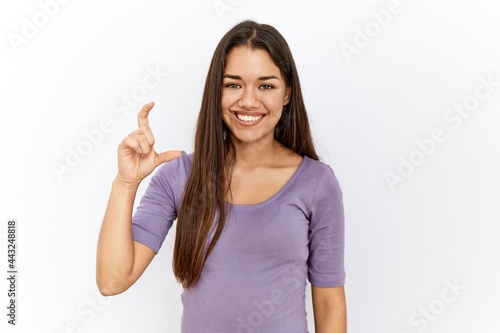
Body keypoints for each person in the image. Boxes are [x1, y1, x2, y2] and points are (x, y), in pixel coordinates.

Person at [96, 20, 346, 332]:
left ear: (286, 93)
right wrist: (125, 184)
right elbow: (112, 280)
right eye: (233, 84)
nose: (249, 101)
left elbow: (329, 301)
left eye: (266, 85)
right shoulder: (179, 177)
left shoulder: (316, 183)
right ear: (217, 91)